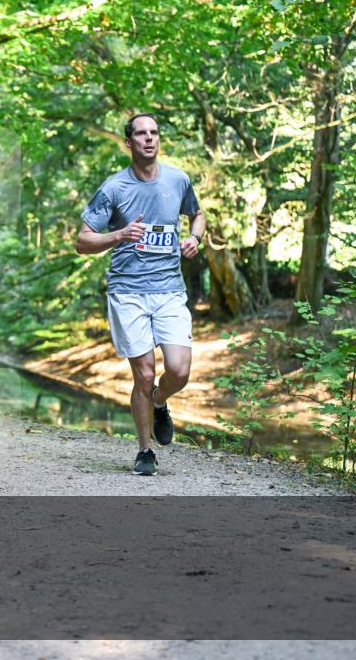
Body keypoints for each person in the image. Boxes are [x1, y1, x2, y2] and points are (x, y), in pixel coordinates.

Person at [75, 113, 206, 476]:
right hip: (128, 293)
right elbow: (82, 241)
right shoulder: (114, 188)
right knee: (144, 375)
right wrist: (118, 235)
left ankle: (161, 403)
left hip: (169, 291)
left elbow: (197, 215)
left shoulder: (178, 180)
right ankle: (145, 450)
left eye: (154, 133)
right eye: (141, 134)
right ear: (129, 142)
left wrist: (195, 238)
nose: (149, 139)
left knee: (178, 370)